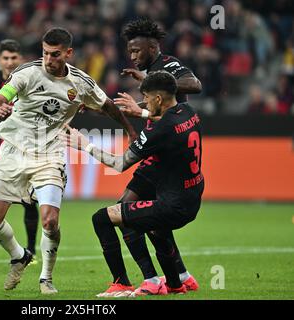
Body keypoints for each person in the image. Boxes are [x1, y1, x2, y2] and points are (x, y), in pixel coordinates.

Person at [0, 27, 137, 294]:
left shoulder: (80, 82)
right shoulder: (27, 73)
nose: (48, 59)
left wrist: (130, 131)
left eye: (55, 54)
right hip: (13, 150)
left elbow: (107, 106)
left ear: (68, 53)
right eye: (45, 53)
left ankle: (46, 277)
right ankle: (19, 255)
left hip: (50, 154)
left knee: (50, 221)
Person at [63, 70, 204, 297]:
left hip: (173, 206)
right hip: (192, 197)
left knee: (102, 218)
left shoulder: (159, 131)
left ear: (158, 99)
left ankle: (122, 284)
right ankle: (176, 284)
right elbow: (163, 119)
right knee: (155, 227)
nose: (144, 102)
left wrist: (85, 145)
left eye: (146, 97)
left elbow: (120, 164)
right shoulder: (188, 112)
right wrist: (138, 112)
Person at [101, 18, 203, 295]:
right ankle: (181, 276)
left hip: (164, 156)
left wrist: (150, 83)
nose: (132, 56)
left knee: (126, 213)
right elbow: (153, 109)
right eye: (130, 51)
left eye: (137, 50)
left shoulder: (167, 65)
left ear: (153, 46)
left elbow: (194, 84)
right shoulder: (154, 72)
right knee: (150, 222)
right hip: (156, 153)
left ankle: (150, 279)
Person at [0, 39, 39, 264]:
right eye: (6, 58)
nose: (10, 62)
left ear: (20, 59)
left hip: (22, 146)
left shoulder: (30, 80)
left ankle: (30, 250)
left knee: (29, 199)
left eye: (14, 58)